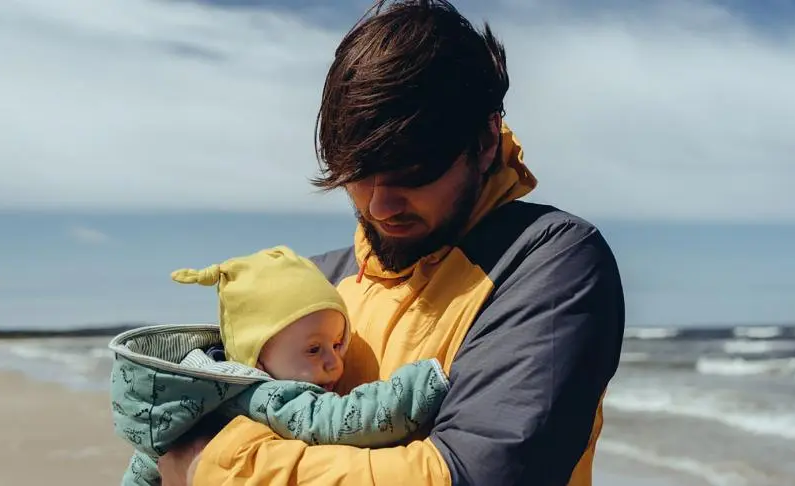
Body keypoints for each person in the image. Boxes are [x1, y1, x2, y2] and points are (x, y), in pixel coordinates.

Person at [158, 0, 625, 485]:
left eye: (413, 173)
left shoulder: (548, 262)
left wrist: (213, 466)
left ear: (485, 141)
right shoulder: (317, 284)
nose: (379, 206)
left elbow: (472, 474)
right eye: (358, 177)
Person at [109, 246, 449, 485]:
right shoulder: (267, 396)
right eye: (314, 350)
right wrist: (421, 384)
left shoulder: (201, 391)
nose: (335, 363)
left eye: (337, 344)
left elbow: (143, 467)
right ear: (257, 356)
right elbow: (341, 420)